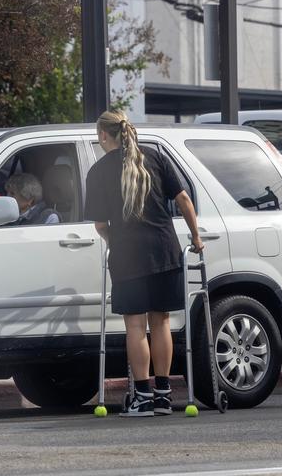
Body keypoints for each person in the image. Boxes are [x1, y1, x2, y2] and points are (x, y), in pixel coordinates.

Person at [84, 110, 203, 417]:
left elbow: (99, 225)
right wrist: (196, 237)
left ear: (103, 136)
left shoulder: (98, 172)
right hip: (165, 250)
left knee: (135, 327)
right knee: (160, 321)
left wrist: (115, 241)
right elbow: (184, 200)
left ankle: (143, 397)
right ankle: (164, 396)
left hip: (128, 255)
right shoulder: (155, 157)